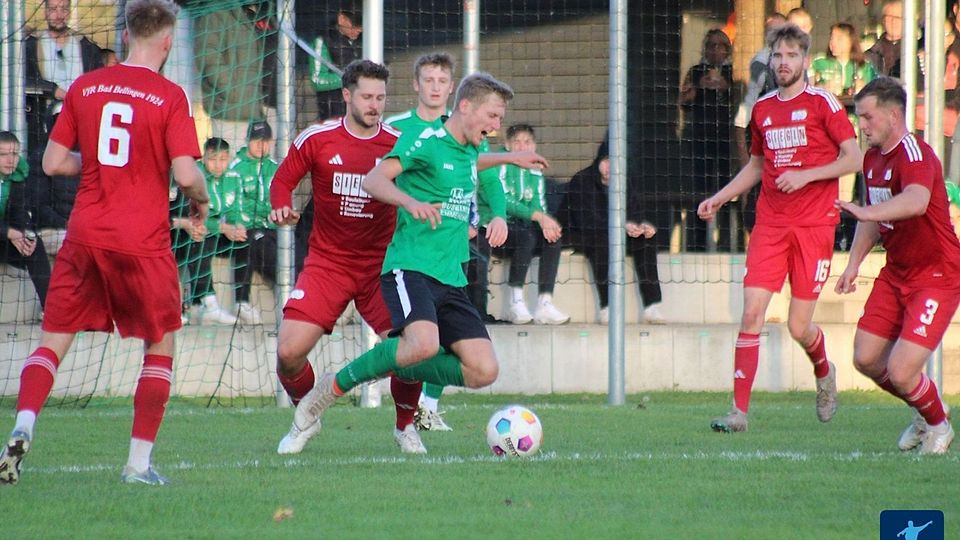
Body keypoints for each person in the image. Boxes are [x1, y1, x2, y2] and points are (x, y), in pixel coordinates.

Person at [0, 0, 209, 486]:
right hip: (142, 241)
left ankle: (23, 423)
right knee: (160, 343)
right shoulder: (170, 95)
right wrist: (199, 200)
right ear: (166, 40)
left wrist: (97, 165)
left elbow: (52, 163)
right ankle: (137, 464)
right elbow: (185, 172)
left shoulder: (85, 86)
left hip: (86, 233)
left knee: (53, 340)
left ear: (128, 33)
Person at [283, 73, 546, 453]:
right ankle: (335, 385)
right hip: (410, 268)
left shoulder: (469, 149)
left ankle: (382, 364)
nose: (496, 126)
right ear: (466, 107)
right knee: (422, 345)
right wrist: (411, 203)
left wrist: (512, 157)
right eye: (492, 116)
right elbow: (374, 181)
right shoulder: (425, 141)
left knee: (483, 370)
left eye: (500, 119)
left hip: (450, 276)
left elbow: (475, 163)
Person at [697, 23, 862, 433]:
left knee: (798, 326)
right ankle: (738, 413)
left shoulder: (824, 104)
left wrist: (807, 177)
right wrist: (721, 196)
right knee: (752, 312)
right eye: (778, 56)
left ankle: (824, 373)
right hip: (771, 223)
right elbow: (757, 166)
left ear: (805, 60)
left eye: (791, 56)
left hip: (814, 225)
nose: (783, 62)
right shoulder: (763, 109)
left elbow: (854, 158)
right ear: (770, 61)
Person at [271, 59, 435, 455]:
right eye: (366, 96)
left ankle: (403, 427)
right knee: (289, 353)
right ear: (346, 95)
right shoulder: (317, 138)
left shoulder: (398, 143)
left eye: (380, 97)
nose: (374, 104)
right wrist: (280, 207)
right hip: (328, 263)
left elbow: (434, 179)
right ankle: (307, 412)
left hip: (383, 266)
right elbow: (282, 180)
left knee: (411, 354)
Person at [835, 76, 959, 455]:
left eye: (868, 117)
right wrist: (853, 264)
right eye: (860, 117)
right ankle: (924, 413)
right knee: (866, 358)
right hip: (897, 272)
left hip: (937, 275)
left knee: (903, 370)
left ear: (892, 115)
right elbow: (871, 219)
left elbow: (916, 201)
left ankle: (939, 426)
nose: (862, 125)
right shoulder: (872, 158)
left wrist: (867, 209)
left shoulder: (916, 155)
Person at [558, 138, 664, 324]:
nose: (610, 167)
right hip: (580, 234)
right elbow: (587, 221)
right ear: (598, 160)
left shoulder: (626, 182)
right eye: (606, 161)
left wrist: (641, 226)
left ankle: (652, 305)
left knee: (646, 241)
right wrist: (622, 226)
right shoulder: (582, 180)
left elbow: (636, 211)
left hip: (616, 234)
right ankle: (607, 306)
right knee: (602, 241)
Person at [484, 124, 568, 325]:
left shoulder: (535, 170)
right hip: (497, 229)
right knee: (527, 235)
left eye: (527, 142)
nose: (522, 146)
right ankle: (516, 301)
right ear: (507, 145)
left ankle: (544, 303)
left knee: (553, 238)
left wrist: (547, 223)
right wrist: (539, 217)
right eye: (517, 142)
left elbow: (538, 204)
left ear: (534, 145)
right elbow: (503, 201)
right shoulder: (500, 164)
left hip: (523, 228)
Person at [170, 137, 239, 325]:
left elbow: (234, 212)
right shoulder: (178, 177)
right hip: (167, 234)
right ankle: (191, 305)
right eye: (212, 159)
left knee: (202, 239)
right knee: (196, 240)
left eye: (222, 159)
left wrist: (236, 225)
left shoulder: (230, 178)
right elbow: (156, 217)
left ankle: (212, 303)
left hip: (191, 231)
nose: (217, 165)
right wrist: (185, 224)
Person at [679, 29, 735, 251]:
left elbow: (739, 96)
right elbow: (683, 100)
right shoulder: (696, 71)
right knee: (700, 187)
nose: (715, 50)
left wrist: (724, 85)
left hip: (726, 138)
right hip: (700, 138)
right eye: (711, 45)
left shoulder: (733, 71)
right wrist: (697, 88)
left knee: (725, 187)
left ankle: (726, 241)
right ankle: (698, 242)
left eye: (720, 46)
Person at [24, 0, 104, 156]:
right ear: (45, 12)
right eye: (53, 9)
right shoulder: (31, 45)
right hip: (43, 123)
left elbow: (100, 79)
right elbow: (22, 81)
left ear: (70, 12)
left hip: (82, 120)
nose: (59, 15)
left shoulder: (86, 46)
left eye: (64, 9)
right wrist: (53, 90)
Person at [195, 3, 272, 152]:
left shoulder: (270, 12)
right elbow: (208, 57)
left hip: (264, 108)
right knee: (230, 168)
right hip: (231, 110)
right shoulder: (216, 13)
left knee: (265, 169)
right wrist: (233, 91)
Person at [226, 120, 279, 325]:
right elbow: (235, 204)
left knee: (294, 243)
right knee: (257, 242)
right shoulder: (236, 167)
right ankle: (242, 301)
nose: (261, 145)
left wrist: (263, 208)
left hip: (271, 225)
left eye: (265, 141)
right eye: (256, 141)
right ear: (247, 141)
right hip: (245, 226)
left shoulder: (274, 167)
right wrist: (260, 210)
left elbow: (276, 201)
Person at [0, 132, 51, 313]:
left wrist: (26, 234)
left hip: (4, 238)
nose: (10, 160)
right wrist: (10, 233)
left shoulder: (18, 178)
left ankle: (51, 310)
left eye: (14, 154)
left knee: (34, 244)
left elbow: (19, 214)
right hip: (4, 234)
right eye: (3, 154)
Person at [311, 7, 363, 122]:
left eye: (362, 25)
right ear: (342, 19)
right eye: (355, 24)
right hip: (334, 114)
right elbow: (317, 80)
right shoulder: (322, 41)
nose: (359, 29)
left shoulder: (367, 41)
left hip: (360, 114)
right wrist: (350, 78)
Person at [811, 23, 877, 99]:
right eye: (832, 38)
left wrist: (863, 89)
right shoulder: (819, 63)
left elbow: (875, 94)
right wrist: (822, 88)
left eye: (839, 39)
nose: (833, 43)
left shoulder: (864, 67)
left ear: (851, 42)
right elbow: (807, 90)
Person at [865, 1, 904, 76]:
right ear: (883, 21)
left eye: (897, 17)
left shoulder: (917, 53)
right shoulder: (869, 57)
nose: (893, 22)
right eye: (889, 17)